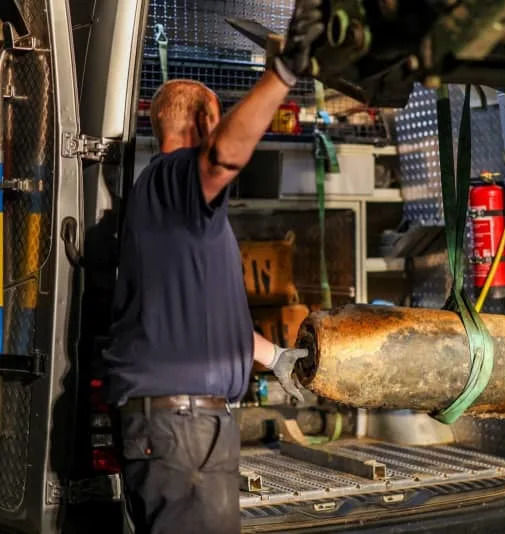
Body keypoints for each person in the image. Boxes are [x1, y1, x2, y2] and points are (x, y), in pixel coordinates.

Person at [101, 1, 324, 532]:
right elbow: (224, 158)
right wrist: (282, 74)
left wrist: (277, 358)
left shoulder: (167, 210)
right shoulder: (179, 181)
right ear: (208, 121)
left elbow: (196, 319)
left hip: (179, 428)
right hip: (184, 429)